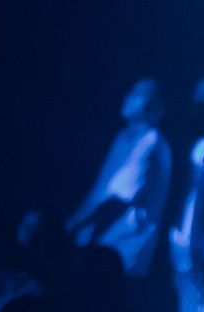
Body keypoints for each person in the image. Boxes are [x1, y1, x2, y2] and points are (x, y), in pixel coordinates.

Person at [65, 77, 173, 280]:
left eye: (139, 94)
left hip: (122, 253)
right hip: (101, 247)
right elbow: (100, 191)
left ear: (157, 108)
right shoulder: (122, 138)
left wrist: (69, 228)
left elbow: (116, 200)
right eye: (131, 92)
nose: (128, 97)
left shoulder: (150, 142)